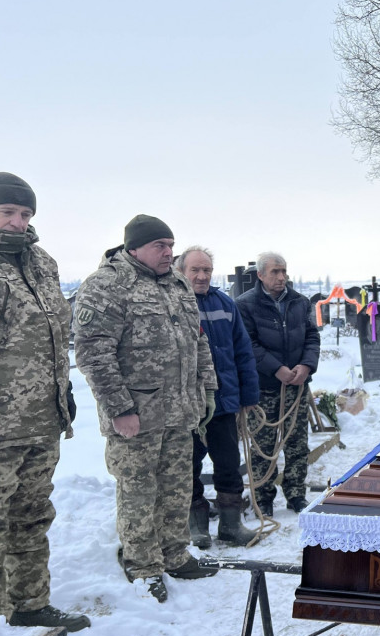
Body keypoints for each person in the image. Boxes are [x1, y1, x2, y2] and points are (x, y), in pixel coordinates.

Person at [76, 215, 219, 603]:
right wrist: (120, 408)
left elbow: (197, 341)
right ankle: (142, 564)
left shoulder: (176, 284)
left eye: (171, 245)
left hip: (178, 410)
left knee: (176, 486)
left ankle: (174, 553)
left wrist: (206, 388)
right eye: (160, 245)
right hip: (136, 415)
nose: (169, 252)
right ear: (134, 247)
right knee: (139, 489)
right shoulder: (107, 284)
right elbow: (93, 353)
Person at [0, 174, 90, 631]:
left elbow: (56, 337)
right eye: (8, 213)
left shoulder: (41, 262)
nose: (18, 223)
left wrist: (64, 392)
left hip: (41, 421)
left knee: (32, 517)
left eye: (26, 214)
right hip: (0, 428)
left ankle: (29, 604)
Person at [175, 247, 259, 547]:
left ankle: (230, 525)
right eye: (195, 270)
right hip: (188, 405)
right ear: (181, 270)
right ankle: (195, 527)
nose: (201, 276)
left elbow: (242, 351)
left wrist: (248, 395)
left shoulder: (225, 303)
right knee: (188, 465)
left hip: (224, 402)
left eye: (207, 270)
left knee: (228, 462)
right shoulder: (173, 303)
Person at [236, 252, 320, 517]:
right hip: (262, 388)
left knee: (297, 443)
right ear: (260, 275)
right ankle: (263, 497)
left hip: (296, 386)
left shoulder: (300, 302)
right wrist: (277, 369)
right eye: (274, 272)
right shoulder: (245, 305)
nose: (281, 277)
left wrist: (306, 366)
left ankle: (296, 494)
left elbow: (312, 337)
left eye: (284, 271)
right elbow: (248, 344)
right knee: (263, 445)